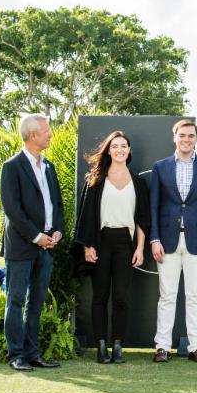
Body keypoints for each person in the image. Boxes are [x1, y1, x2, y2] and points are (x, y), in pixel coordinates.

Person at [72, 131, 150, 364]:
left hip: (125, 244)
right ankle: (101, 347)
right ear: (108, 150)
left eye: (123, 146)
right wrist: (87, 246)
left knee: (121, 297)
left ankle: (117, 346)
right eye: (114, 146)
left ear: (129, 150)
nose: (119, 149)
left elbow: (142, 219)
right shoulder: (96, 179)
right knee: (100, 296)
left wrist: (140, 248)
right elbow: (85, 215)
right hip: (101, 241)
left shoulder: (138, 182)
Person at [149, 119, 197, 364]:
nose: (186, 139)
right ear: (174, 137)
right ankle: (162, 347)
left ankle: (196, 347)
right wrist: (154, 239)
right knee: (167, 295)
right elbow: (154, 206)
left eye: (191, 135)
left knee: (194, 296)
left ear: (196, 139)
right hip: (166, 240)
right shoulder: (160, 167)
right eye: (182, 135)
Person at [0, 114, 64, 372]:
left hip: (47, 245)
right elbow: (12, 210)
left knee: (36, 302)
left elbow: (56, 203)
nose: (50, 135)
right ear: (33, 135)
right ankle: (16, 355)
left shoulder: (49, 166)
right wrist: (37, 237)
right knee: (15, 301)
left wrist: (56, 231)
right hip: (23, 246)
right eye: (47, 131)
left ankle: (32, 353)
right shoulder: (12, 166)